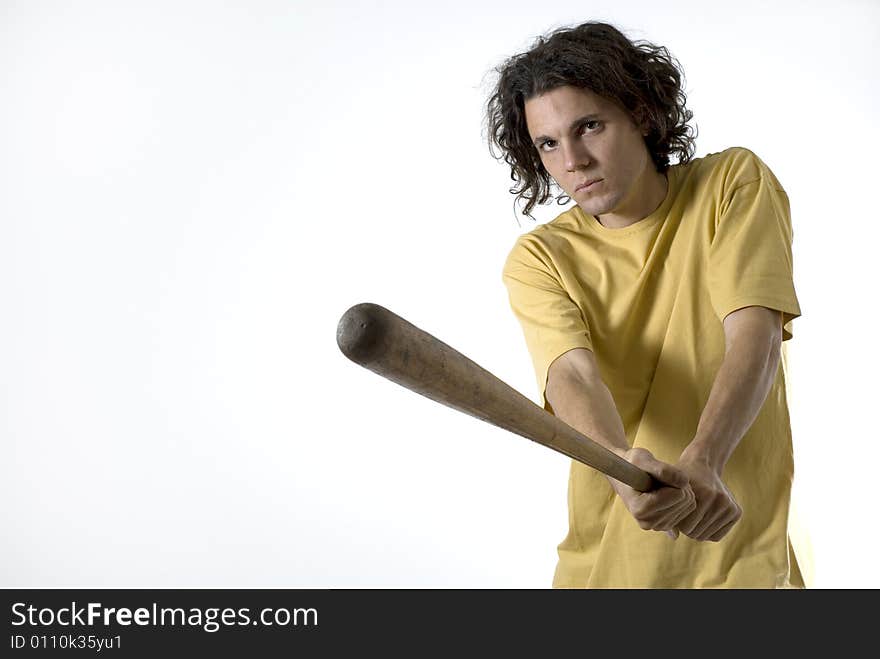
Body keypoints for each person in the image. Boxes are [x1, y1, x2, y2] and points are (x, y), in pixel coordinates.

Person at [485, 21, 804, 588]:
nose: (573, 160)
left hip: (739, 555)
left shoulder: (732, 183)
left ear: (642, 113)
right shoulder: (540, 258)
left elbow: (755, 334)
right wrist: (620, 468)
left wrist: (705, 458)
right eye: (549, 143)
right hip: (605, 567)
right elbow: (571, 378)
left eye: (589, 126)